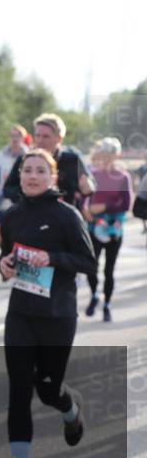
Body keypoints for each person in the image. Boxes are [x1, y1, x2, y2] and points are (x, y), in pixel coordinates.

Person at [0, 150, 96, 458]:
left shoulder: (66, 215)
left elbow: (88, 261)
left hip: (57, 316)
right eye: (27, 170)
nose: (32, 176)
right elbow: (7, 256)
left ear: (52, 177)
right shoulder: (11, 217)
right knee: (19, 390)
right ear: (19, 175)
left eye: (40, 170)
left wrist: (52, 258)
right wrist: (4, 266)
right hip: (21, 313)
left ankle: (71, 408)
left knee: (49, 389)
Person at [82, 137, 132, 322]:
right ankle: (94, 294)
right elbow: (83, 197)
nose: (108, 157)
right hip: (94, 226)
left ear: (117, 155)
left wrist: (104, 207)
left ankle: (107, 305)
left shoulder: (123, 177)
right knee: (90, 266)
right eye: (105, 153)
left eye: (112, 153)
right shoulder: (92, 173)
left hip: (114, 228)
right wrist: (86, 210)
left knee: (109, 270)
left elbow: (126, 204)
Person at [2, 113, 95, 208]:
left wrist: (86, 188)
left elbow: (90, 188)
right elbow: (7, 190)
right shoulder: (25, 159)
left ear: (59, 138)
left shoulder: (73, 159)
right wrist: (29, 191)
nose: (40, 140)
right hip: (31, 215)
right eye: (37, 135)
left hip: (65, 218)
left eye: (46, 136)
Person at [0, 125, 29, 223]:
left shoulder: (29, 156)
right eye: (12, 135)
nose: (15, 138)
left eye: (18, 135)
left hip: (23, 203)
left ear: (23, 138)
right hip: (4, 204)